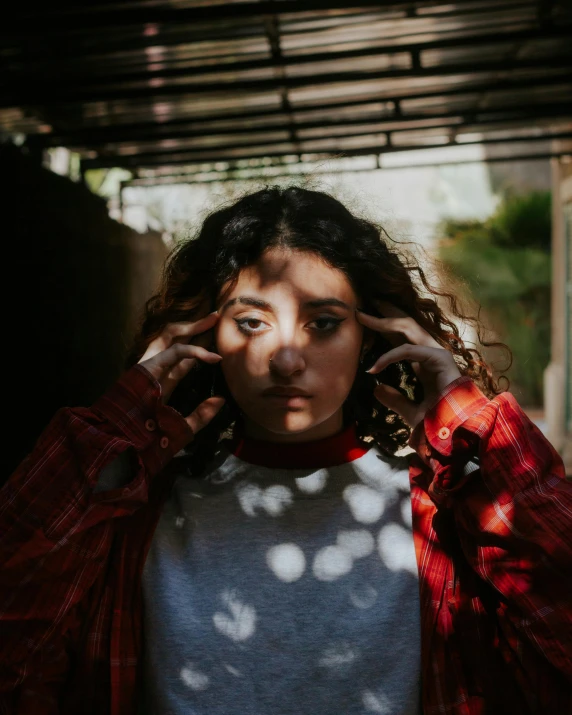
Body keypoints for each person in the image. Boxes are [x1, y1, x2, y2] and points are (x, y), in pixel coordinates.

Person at [0, 185, 570, 715]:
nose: (287, 359)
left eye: (323, 323)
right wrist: (115, 432)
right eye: (251, 322)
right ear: (204, 338)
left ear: (371, 336)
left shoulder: (436, 521)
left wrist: (470, 426)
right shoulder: (141, 515)